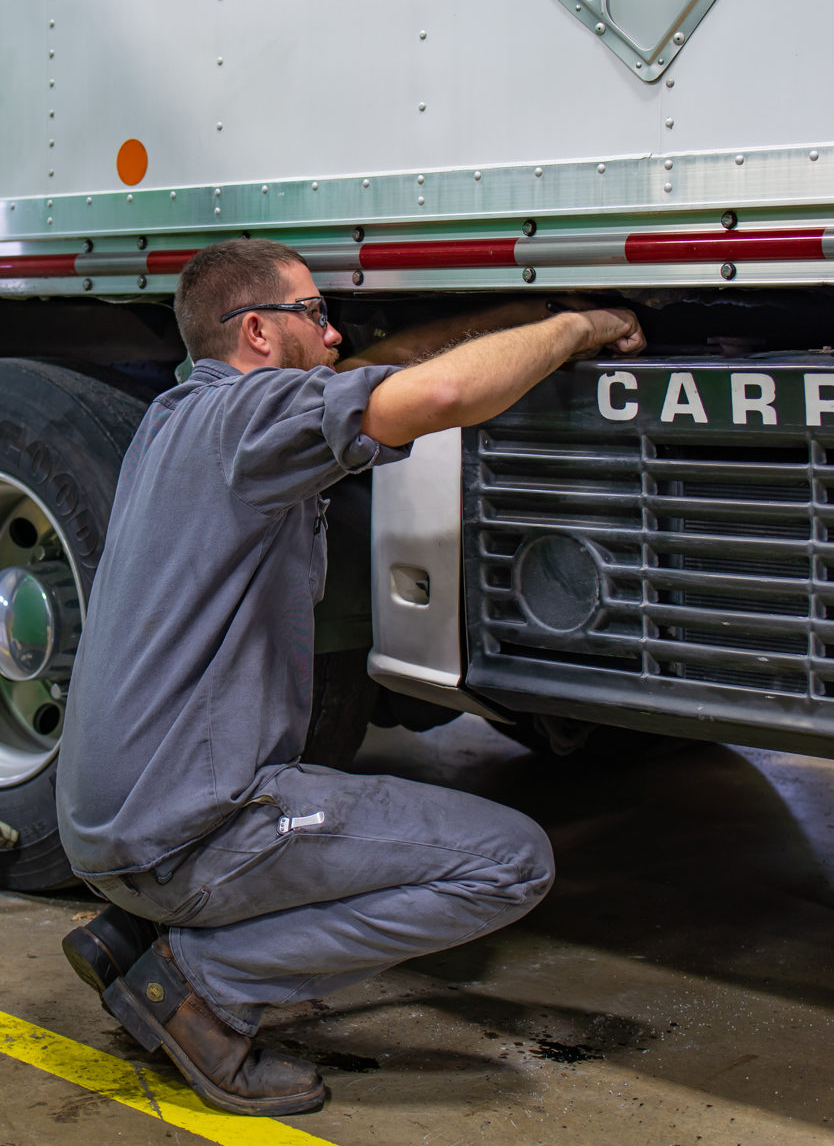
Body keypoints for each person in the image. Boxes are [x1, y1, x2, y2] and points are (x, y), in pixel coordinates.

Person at [56, 238, 645, 1117]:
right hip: (187, 827)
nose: (334, 336)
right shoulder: (252, 422)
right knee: (510, 864)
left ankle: (134, 931)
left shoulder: (184, 417)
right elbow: (438, 393)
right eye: (316, 314)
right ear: (257, 329)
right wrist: (573, 325)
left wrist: (512, 318)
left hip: (108, 825)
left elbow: (382, 368)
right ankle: (200, 984)